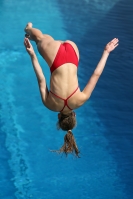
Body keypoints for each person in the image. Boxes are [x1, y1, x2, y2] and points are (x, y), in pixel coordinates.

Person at [24, 22, 119, 157]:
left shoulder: (81, 100)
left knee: (47, 38)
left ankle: (32, 32)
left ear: (74, 115)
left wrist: (106, 51)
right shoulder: (51, 105)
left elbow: (96, 74)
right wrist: (32, 55)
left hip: (73, 52)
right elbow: (41, 80)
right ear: (59, 116)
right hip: (55, 58)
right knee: (40, 38)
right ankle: (28, 29)